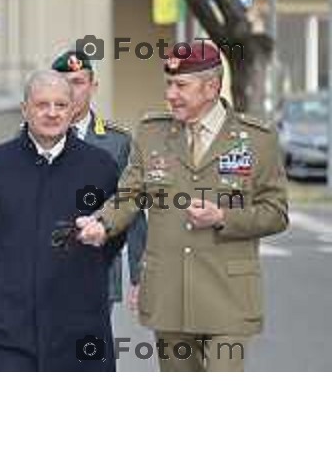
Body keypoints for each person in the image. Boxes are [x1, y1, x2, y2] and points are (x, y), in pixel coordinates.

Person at [76, 41, 288, 372]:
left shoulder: (257, 139)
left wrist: (223, 217)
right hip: (169, 294)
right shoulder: (151, 133)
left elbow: (276, 212)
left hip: (228, 297)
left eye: (181, 85)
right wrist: (102, 223)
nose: (171, 94)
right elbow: (130, 195)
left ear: (212, 87)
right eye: (168, 84)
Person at [0, 70, 125, 372]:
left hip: (79, 319)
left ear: (73, 108)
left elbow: (114, 232)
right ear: (25, 109)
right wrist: (12, 270)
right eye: (42, 105)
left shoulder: (100, 166)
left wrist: (79, 268)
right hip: (8, 322)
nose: (52, 113)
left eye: (61, 105)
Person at [51, 50, 147, 312]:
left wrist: (139, 276)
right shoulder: (28, 138)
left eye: (78, 82)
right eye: (62, 83)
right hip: (44, 271)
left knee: (92, 351)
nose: (70, 91)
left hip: (97, 269)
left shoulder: (117, 142)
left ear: (93, 86)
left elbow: (132, 209)